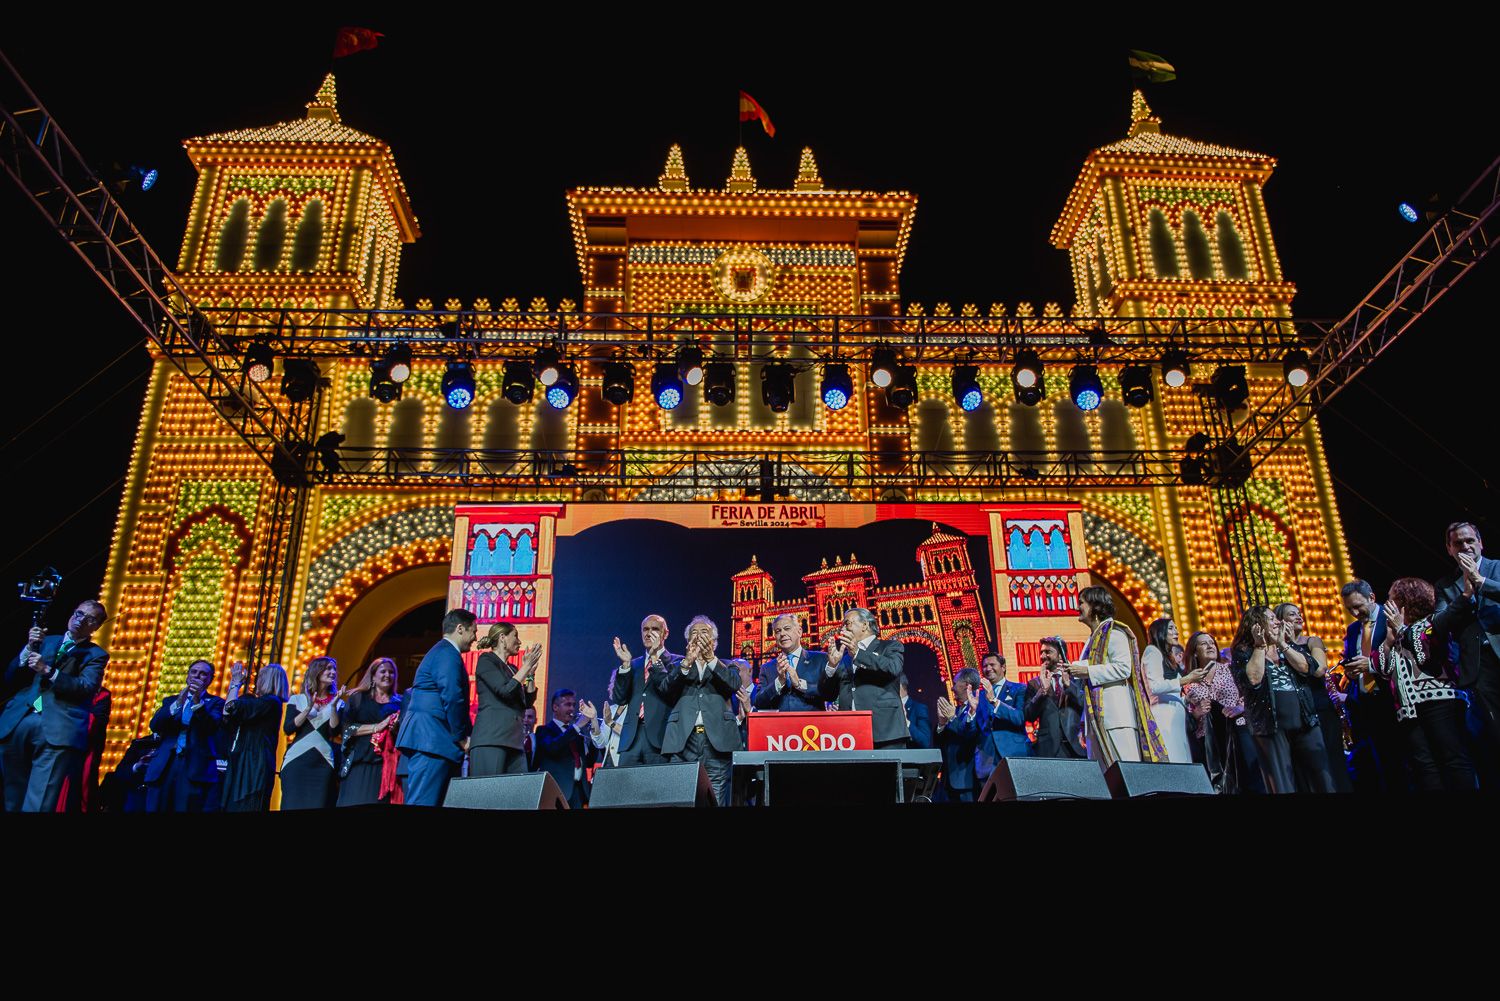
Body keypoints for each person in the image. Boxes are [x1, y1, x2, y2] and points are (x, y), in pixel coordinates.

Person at [1, 599, 109, 812]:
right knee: (10, 795)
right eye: (79, 614)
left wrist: (48, 671)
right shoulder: (47, 640)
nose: (81, 621)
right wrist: (28, 648)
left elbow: (86, 687)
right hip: (19, 719)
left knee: (40, 801)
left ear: (96, 627)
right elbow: (11, 677)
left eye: (90, 619)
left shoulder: (96, 655)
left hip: (57, 727)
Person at [1375, 577, 1476, 791]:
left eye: (1392, 599)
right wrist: (1388, 641)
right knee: (1424, 766)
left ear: (1406, 601)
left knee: (1453, 758)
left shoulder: (1431, 623)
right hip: (1408, 708)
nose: (1388, 605)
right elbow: (1384, 670)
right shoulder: (1395, 632)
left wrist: (1401, 630)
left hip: (1439, 701)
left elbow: (1425, 657)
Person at [1231, 607, 1336, 794]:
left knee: (1322, 779)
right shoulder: (1244, 652)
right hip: (1269, 725)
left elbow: (1306, 667)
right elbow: (1253, 679)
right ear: (1256, 625)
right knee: (1282, 785)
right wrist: (1259, 647)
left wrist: (1282, 644)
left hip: (1305, 720)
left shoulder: (1287, 646)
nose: (1278, 622)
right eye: (1271, 619)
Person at [1068, 587, 1166, 767]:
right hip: (1096, 719)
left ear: (1095, 605)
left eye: (1081, 602)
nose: (1077, 607)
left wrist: (1087, 671)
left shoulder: (1114, 633)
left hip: (1116, 718)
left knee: (1125, 772)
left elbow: (1123, 668)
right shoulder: (1093, 639)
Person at [395, 608, 477, 806]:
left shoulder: (442, 652)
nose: (475, 637)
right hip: (431, 741)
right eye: (473, 631)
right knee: (423, 802)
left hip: (434, 741)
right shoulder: (447, 653)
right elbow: (452, 696)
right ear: (460, 628)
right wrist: (461, 737)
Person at [1434, 522, 1500, 751]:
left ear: (1480, 542)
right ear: (1449, 549)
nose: (1465, 546)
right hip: (1479, 667)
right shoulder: (1445, 586)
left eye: (1469, 540)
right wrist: (1464, 596)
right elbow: (1440, 623)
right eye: (1458, 543)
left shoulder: (1497, 567)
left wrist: (1481, 582)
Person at [661, 615, 741, 806]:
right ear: (688, 642)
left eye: (704, 633)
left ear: (713, 642)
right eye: (694, 633)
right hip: (682, 740)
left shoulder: (727, 665)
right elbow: (666, 689)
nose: (699, 637)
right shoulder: (678, 666)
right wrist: (687, 662)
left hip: (717, 741)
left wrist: (711, 659)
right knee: (680, 797)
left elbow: (734, 684)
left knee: (716, 797)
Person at [1341, 580, 1409, 793]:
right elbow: (1353, 661)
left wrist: (1371, 665)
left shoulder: (1390, 618)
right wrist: (1350, 672)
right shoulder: (1352, 630)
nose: (1354, 612)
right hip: (1364, 704)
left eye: (1358, 606)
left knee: (1400, 760)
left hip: (1390, 699)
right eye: (1349, 608)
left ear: (1371, 597)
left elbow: (1403, 655)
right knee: (1375, 765)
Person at [1276, 602, 1350, 792]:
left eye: (1299, 613)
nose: (1299, 617)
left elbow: (1318, 670)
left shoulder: (1312, 641)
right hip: (1294, 713)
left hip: (1319, 708)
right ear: (1281, 621)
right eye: (1292, 615)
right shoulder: (1275, 649)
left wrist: (1290, 644)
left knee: (1330, 762)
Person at [1182, 632, 1262, 794]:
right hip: (1208, 738)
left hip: (1238, 729)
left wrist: (1240, 708)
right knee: (1220, 785)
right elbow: (1187, 714)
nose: (1210, 645)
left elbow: (1249, 693)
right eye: (1204, 644)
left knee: (1248, 779)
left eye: (1212, 642)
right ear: (1195, 651)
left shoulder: (1230, 669)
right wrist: (1196, 713)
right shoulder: (1188, 680)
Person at [818, 607, 909, 748]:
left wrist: (858, 654)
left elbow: (893, 668)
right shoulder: (843, 658)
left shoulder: (889, 647)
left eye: (847, 623)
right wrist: (831, 667)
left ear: (865, 625)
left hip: (885, 732)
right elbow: (827, 694)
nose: (842, 628)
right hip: (848, 736)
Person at [144, 658, 225, 812]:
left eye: (202, 674)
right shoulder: (171, 700)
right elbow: (155, 726)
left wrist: (197, 704)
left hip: (193, 767)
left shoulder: (216, 703)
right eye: (193, 672)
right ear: (188, 676)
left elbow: (211, 728)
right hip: (166, 764)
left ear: (209, 680)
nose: (197, 676)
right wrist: (177, 704)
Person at [470, 623, 541, 777]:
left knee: (515, 794)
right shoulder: (487, 660)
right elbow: (505, 691)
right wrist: (526, 666)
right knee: (488, 793)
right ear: (502, 637)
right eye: (515, 636)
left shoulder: (514, 670)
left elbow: (527, 702)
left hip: (514, 741)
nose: (519, 642)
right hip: (492, 739)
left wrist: (530, 674)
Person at [609, 614, 679, 766]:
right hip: (631, 738)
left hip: (660, 737)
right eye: (645, 629)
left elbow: (670, 692)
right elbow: (619, 699)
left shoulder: (676, 662)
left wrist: (655, 659)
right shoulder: (634, 664)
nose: (648, 633)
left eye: (655, 629)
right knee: (626, 787)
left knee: (655, 787)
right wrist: (625, 666)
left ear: (665, 634)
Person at [220, 662, 287, 812]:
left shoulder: (271, 702)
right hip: (245, 759)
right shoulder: (258, 702)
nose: (257, 680)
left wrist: (235, 683)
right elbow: (227, 714)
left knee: (246, 804)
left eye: (261, 677)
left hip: (254, 762)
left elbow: (230, 708)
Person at [338, 657, 403, 805]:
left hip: (386, 768)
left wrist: (394, 729)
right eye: (383, 671)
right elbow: (346, 729)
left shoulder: (399, 702)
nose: (388, 675)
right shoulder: (358, 698)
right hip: (359, 764)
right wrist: (377, 727)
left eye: (391, 672)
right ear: (373, 676)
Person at [1142, 618, 1206, 764]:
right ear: (1160, 632)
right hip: (1164, 715)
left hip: (1176, 715)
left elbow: (1171, 691)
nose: (1176, 632)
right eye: (1171, 628)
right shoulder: (1152, 651)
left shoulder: (1168, 658)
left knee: (1182, 758)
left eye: (1176, 628)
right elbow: (1155, 686)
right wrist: (1187, 679)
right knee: (1173, 758)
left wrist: (1187, 699)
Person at [280, 656, 342, 810]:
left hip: (323, 763)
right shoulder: (297, 699)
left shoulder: (339, 702)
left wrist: (333, 708)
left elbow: (334, 732)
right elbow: (288, 729)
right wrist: (308, 708)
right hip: (296, 762)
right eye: (328, 668)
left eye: (334, 668)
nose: (332, 672)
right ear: (317, 671)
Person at [534, 689, 601, 809]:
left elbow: (590, 761)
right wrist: (578, 726)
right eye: (567, 704)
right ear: (555, 707)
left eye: (574, 705)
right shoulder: (543, 730)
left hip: (578, 791)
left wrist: (594, 727)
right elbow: (553, 748)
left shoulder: (576, 734)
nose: (572, 709)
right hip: (557, 790)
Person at [1026, 637, 1087, 759]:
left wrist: (1069, 686)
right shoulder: (1034, 683)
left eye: (1048, 652)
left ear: (1060, 655)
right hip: (1048, 748)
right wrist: (1042, 691)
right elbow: (1029, 715)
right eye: (1041, 652)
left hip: (1076, 746)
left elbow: (1085, 705)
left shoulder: (1077, 679)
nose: (1043, 656)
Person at [753, 613, 827, 712]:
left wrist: (800, 685)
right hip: (780, 726)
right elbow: (758, 702)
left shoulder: (820, 659)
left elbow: (829, 693)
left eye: (787, 628)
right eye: (778, 631)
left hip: (811, 726)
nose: (782, 634)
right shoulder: (767, 668)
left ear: (799, 632)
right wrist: (779, 682)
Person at [976, 652, 1031, 784]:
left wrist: (994, 701)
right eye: (985, 666)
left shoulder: (1019, 689)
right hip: (986, 759)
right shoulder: (977, 695)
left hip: (1013, 755)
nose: (988, 668)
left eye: (992, 664)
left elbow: (1019, 717)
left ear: (1003, 667)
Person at [936, 667, 989, 802]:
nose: (952, 688)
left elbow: (970, 735)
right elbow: (943, 743)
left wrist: (953, 719)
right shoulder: (957, 709)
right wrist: (941, 724)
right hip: (949, 780)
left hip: (967, 781)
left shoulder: (981, 707)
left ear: (966, 685)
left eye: (955, 683)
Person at [98, 734, 158, 812]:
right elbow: (120, 770)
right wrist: (136, 766)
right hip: (136, 792)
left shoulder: (175, 743)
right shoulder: (139, 742)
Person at [902, 675, 933, 750]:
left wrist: (907, 723)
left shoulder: (918, 708)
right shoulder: (887, 709)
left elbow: (925, 741)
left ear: (899, 686)